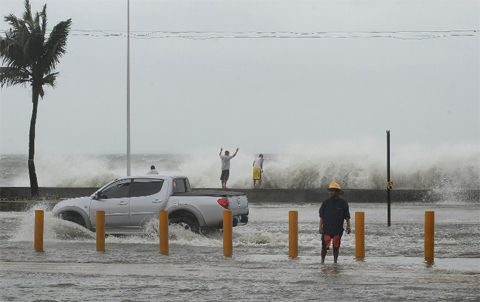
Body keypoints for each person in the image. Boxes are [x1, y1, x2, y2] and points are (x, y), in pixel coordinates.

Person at [319, 181, 351, 264]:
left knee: (336, 246)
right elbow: (321, 216)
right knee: (324, 246)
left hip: (338, 228)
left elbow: (347, 216)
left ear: (337, 192)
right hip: (327, 228)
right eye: (329, 190)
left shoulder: (343, 203)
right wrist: (320, 226)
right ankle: (322, 262)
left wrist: (348, 226)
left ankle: (335, 262)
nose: (330, 192)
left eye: (332, 191)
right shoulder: (325, 203)